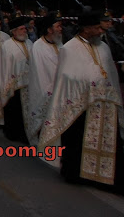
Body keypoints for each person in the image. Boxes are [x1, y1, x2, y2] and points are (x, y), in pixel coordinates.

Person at [39, 12, 124, 192]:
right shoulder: (69, 49)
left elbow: (110, 74)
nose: (101, 31)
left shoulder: (104, 48)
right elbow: (67, 77)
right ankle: (78, 175)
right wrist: (89, 88)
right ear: (86, 29)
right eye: (97, 28)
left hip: (105, 105)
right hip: (82, 106)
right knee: (78, 140)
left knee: (110, 142)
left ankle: (107, 177)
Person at [0, 16, 33, 144]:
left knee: (26, 112)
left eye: (25, 29)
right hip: (13, 87)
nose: (24, 31)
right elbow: (4, 68)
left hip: (28, 86)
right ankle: (12, 133)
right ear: (14, 31)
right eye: (21, 29)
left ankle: (26, 135)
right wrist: (6, 85)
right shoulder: (7, 46)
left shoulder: (30, 43)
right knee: (14, 111)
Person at [27, 14, 63, 145]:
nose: (61, 29)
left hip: (61, 91)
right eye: (58, 26)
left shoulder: (59, 44)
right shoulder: (38, 47)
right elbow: (39, 74)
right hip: (45, 91)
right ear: (49, 29)